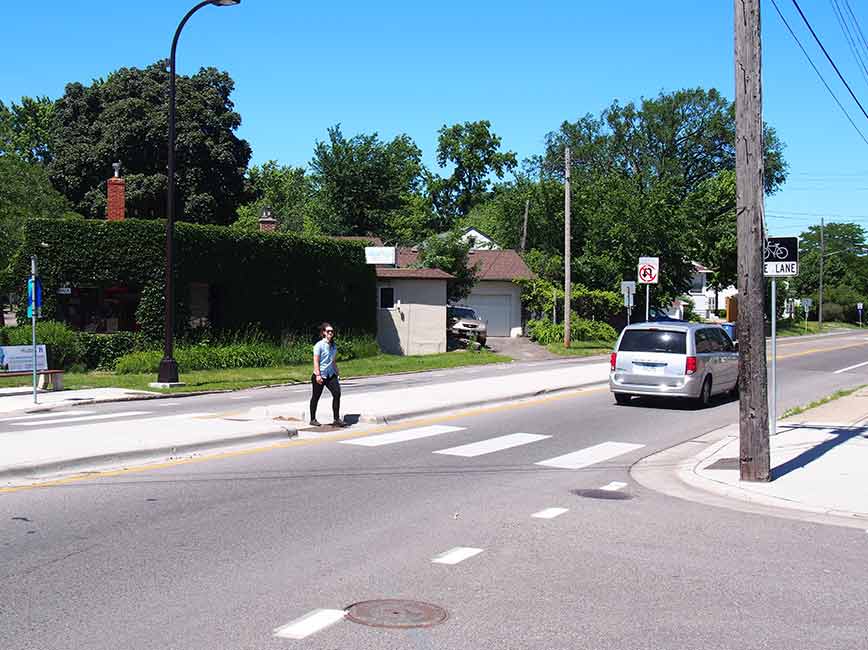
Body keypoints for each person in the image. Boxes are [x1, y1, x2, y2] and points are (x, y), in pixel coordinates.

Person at [310, 322, 345, 427]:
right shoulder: (319, 345)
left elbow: (333, 361)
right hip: (320, 375)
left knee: (337, 393)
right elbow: (316, 361)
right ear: (323, 332)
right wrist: (318, 375)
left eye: (332, 331)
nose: (330, 333)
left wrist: (337, 372)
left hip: (330, 375)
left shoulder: (333, 346)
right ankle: (312, 419)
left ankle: (336, 419)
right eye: (328, 331)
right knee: (316, 396)